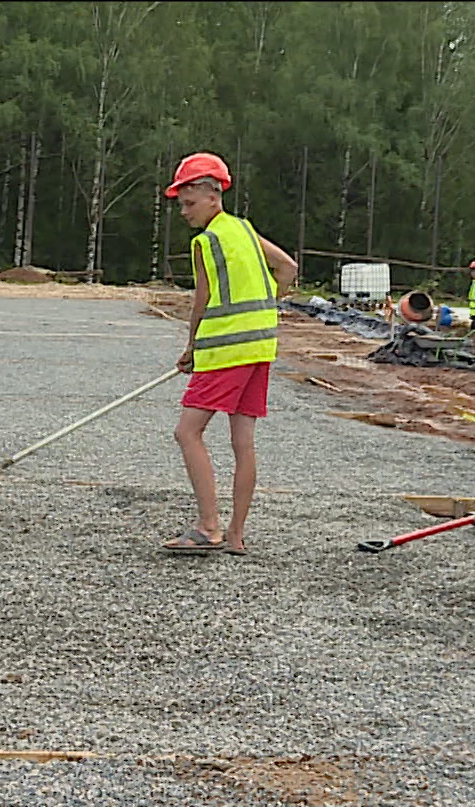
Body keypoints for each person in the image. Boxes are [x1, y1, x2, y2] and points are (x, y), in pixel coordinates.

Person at [161, 152, 297, 557]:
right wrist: (266, 305)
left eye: (189, 203)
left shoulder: (206, 240)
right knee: (243, 442)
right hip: (260, 347)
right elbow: (288, 268)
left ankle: (208, 526)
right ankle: (235, 534)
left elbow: (201, 298)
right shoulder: (244, 229)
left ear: (212, 195)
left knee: (187, 432)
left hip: (227, 349)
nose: (184, 213)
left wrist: (191, 348)